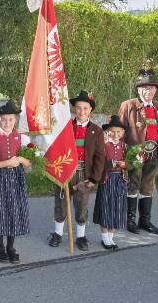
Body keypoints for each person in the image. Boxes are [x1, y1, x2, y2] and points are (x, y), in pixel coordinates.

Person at [48, 90, 105, 251]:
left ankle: (80, 236)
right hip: (64, 170)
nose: (82, 112)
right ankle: (58, 233)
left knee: (81, 205)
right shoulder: (65, 128)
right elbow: (56, 148)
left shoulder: (97, 131)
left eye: (85, 108)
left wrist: (94, 178)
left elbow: (100, 157)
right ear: (74, 109)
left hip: (83, 174)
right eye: (78, 108)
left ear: (90, 110)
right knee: (60, 203)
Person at [0, 98, 31, 264]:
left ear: (15, 119)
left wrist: (23, 159)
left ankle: (11, 247)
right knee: (0, 210)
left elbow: (31, 163)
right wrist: (7, 163)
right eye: (3, 119)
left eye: (10, 119)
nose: (7, 122)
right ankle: (0, 246)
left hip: (16, 179)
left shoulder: (22, 139)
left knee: (14, 211)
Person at [118, 69, 158, 235]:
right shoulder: (128, 106)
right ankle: (130, 221)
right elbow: (119, 132)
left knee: (147, 187)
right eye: (144, 88)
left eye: (151, 88)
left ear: (155, 90)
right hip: (134, 155)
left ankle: (145, 221)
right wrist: (123, 156)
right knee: (133, 186)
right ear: (138, 90)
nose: (148, 91)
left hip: (153, 155)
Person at [93, 115, 128, 250]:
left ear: (123, 133)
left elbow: (132, 164)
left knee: (117, 208)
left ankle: (111, 238)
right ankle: (105, 238)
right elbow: (99, 163)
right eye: (112, 131)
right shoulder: (104, 146)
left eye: (119, 131)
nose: (115, 134)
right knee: (106, 207)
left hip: (120, 181)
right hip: (106, 180)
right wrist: (111, 163)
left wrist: (126, 164)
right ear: (108, 132)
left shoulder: (125, 147)